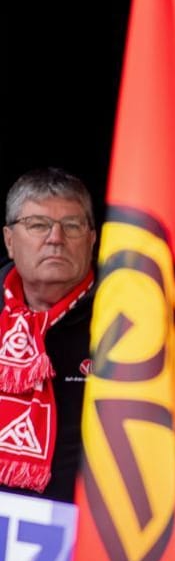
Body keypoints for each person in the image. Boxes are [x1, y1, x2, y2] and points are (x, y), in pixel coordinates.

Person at [0, 170, 97, 501]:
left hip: (88, 535)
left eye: (72, 226)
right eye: (38, 225)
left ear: (92, 239)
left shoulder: (127, 320)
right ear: (9, 241)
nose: (56, 237)